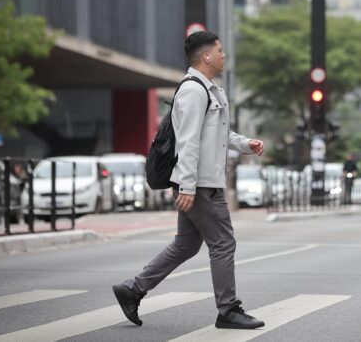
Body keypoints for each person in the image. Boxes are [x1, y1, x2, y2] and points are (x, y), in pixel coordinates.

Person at [113, 31, 265, 330]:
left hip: (202, 182)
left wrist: (246, 143)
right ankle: (228, 309)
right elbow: (188, 141)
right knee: (223, 243)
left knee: (186, 245)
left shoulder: (212, 90)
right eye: (219, 50)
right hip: (201, 185)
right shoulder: (194, 91)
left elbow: (218, 135)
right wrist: (187, 186)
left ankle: (133, 289)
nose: (223, 55)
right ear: (206, 56)